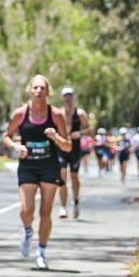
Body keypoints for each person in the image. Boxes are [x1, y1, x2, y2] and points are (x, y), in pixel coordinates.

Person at [1, 75, 72, 270]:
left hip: (49, 166)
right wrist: (16, 146)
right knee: (26, 210)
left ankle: (41, 251)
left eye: (42, 88)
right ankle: (27, 231)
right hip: (28, 166)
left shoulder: (56, 115)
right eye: (35, 88)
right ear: (30, 91)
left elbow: (67, 146)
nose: (39, 91)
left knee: (45, 212)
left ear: (48, 92)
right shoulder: (21, 114)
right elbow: (5, 136)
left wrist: (55, 136)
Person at [56, 87, 90, 219]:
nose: (68, 98)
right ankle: (63, 207)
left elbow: (88, 129)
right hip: (61, 147)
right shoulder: (58, 113)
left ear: (73, 97)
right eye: (65, 96)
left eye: (70, 95)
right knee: (62, 177)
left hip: (75, 148)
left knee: (74, 177)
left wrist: (80, 133)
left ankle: (75, 202)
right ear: (62, 98)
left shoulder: (80, 113)